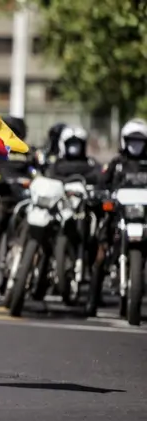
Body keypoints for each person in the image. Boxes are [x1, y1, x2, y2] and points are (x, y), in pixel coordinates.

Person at [88, 118, 147, 317]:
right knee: (101, 253)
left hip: (143, 219)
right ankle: (92, 301)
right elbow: (101, 184)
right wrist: (100, 195)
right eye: (132, 141)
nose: (135, 146)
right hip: (118, 218)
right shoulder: (117, 164)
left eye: (140, 141)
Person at [0, 115, 35, 298]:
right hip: (0, 203)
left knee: (15, 246)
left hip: (20, 205)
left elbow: (35, 174)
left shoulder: (28, 153)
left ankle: (8, 283)